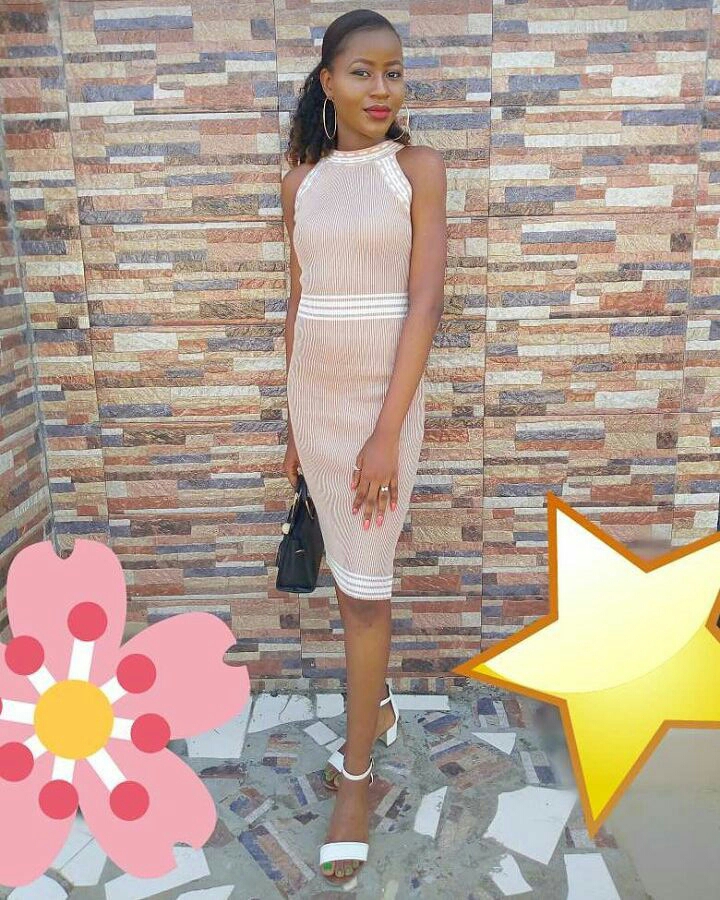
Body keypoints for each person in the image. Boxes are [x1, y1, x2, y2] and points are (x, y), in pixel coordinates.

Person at [280, 8, 447, 884]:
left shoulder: (416, 169)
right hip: (317, 402)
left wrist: (385, 433)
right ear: (327, 82)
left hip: (384, 410)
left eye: (394, 72)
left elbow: (424, 302)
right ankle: (373, 706)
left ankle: (355, 781)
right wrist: (292, 426)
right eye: (362, 72)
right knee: (348, 587)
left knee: (366, 596)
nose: (381, 89)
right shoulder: (300, 180)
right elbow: (299, 300)